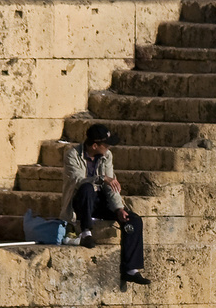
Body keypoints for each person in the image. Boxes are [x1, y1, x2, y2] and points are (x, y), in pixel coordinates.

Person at [59, 123, 149, 287]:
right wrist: (101, 178)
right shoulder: (72, 155)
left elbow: (111, 185)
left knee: (133, 220)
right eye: (105, 144)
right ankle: (86, 233)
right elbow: (77, 181)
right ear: (95, 145)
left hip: (100, 201)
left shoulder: (107, 156)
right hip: (80, 202)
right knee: (87, 188)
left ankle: (131, 270)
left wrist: (119, 209)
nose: (108, 148)